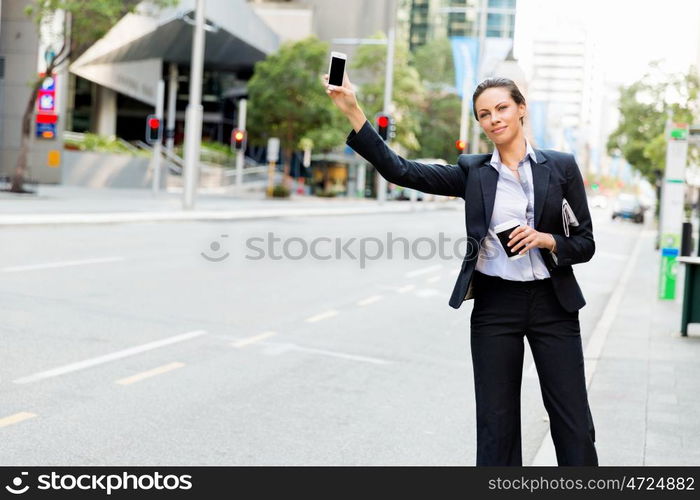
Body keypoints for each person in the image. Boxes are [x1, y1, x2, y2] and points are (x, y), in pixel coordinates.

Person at [322, 71, 598, 466]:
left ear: (521, 109)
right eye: (484, 114)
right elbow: (401, 170)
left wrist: (546, 239)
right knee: (495, 422)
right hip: (495, 305)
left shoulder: (561, 167)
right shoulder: (473, 172)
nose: (494, 119)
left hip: (554, 305)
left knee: (572, 421)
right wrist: (352, 109)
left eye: (502, 108)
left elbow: (585, 243)